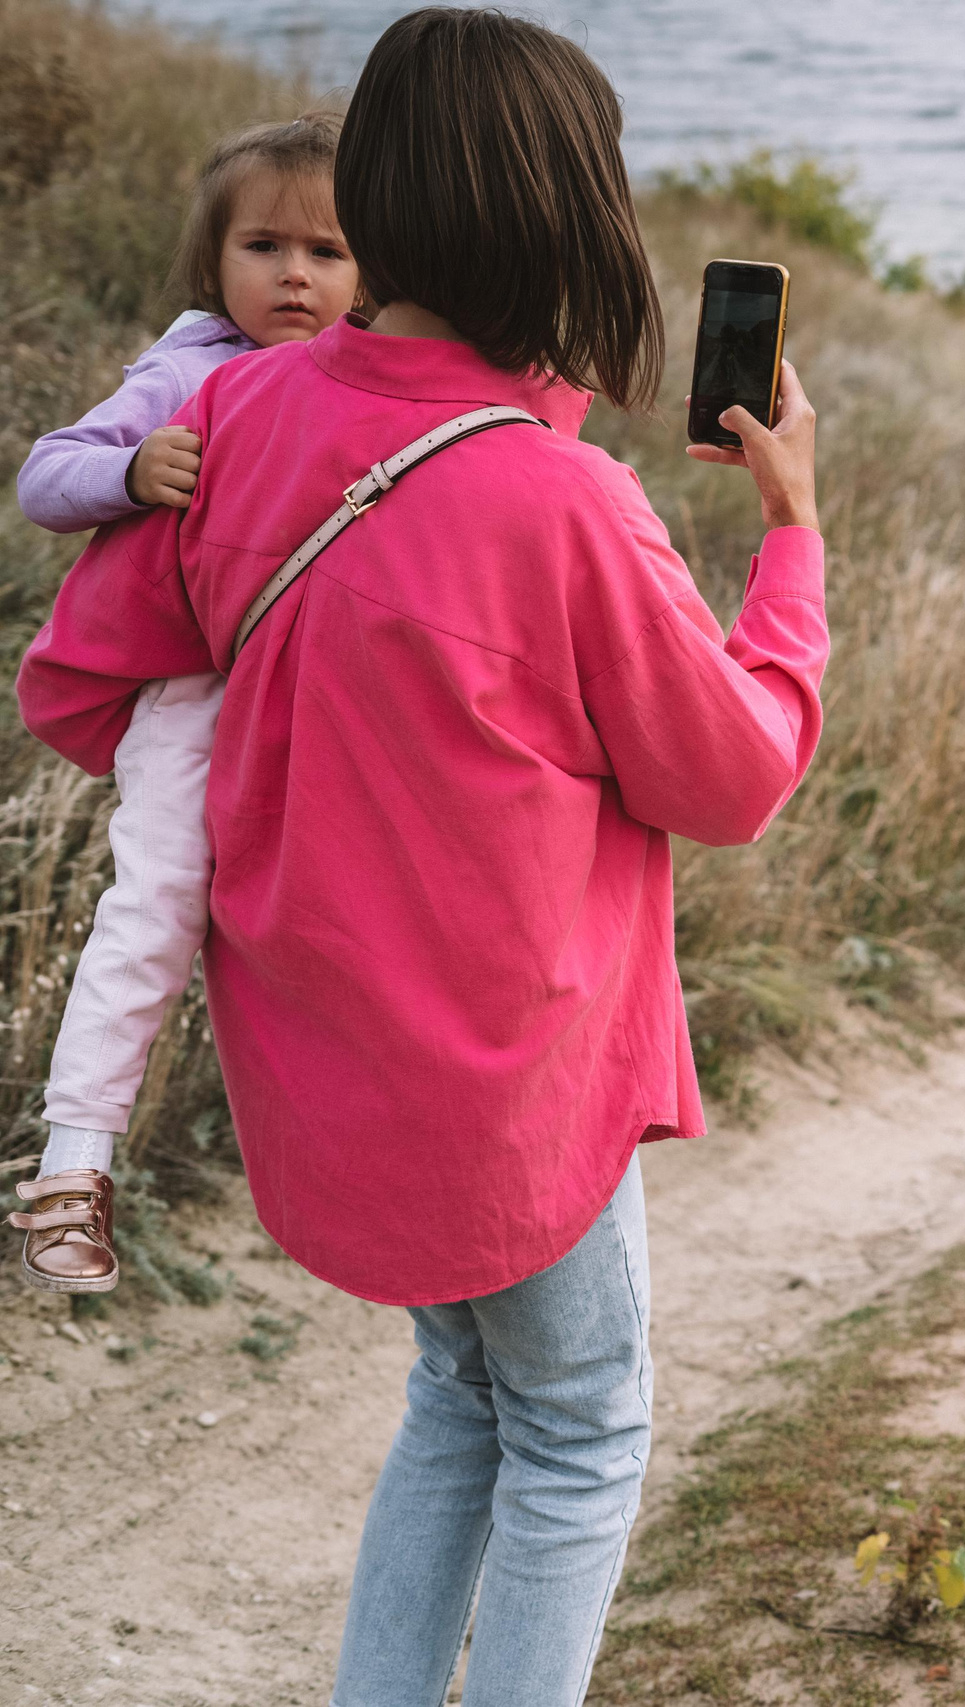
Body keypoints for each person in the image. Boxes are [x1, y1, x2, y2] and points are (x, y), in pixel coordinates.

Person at [15, 11, 831, 1702]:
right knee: (582, 1429)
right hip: (510, 1086)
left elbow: (88, 676)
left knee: (458, 1404)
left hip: (328, 1059)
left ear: (382, 195)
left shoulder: (239, 416)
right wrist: (795, 542)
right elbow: (735, 773)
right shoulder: (563, 506)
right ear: (560, 213)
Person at [9, 111, 359, 1292]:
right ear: (216, 263)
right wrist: (131, 469)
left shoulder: (367, 371)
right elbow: (44, 477)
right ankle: (73, 1162)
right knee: (154, 900)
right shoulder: (188, 368)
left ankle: (345, 1165)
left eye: (328, 250)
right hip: (196, 693)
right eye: (265, 247)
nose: (296, 275)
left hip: (323, 698)